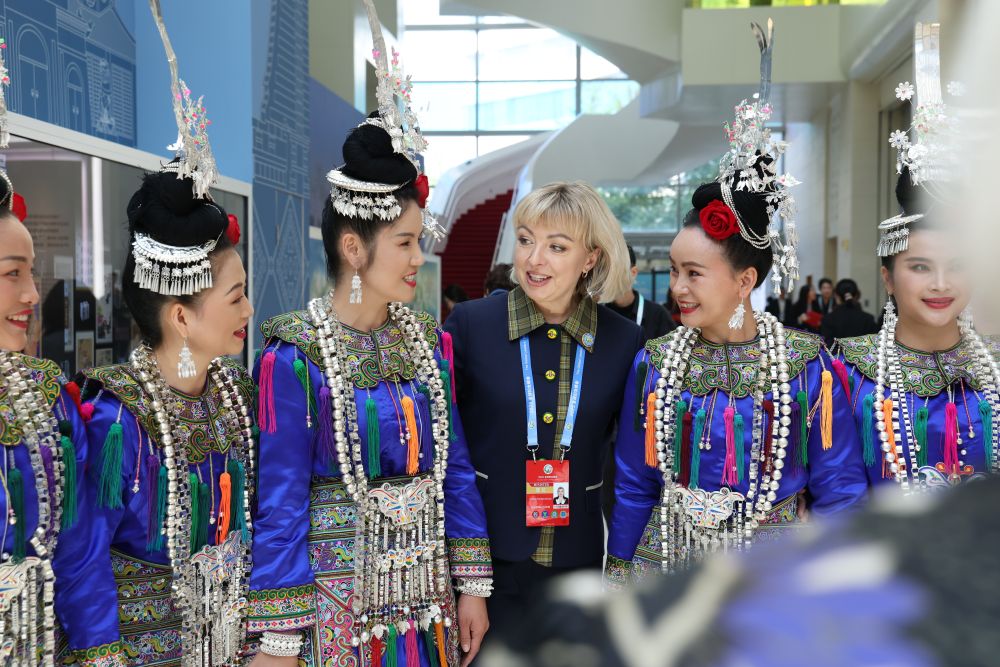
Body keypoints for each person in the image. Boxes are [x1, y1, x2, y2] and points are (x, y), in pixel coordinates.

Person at [248, 8, 492, 665]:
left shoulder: (428, 343)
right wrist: (279, 637)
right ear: (354, 248)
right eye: (405, 242)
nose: (418, 258)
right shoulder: (294, 357)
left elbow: (454, 465)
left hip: (425, 595)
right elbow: (280, 504)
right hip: (338, 601)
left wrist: (472, 583)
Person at [605, 21, 867, 586]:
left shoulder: (807, 366)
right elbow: (634, 483)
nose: (678, 288)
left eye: (694, 274)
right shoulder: (656, 363)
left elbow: (840, 486)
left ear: (745, 280)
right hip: (668, 570)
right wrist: (619, 579)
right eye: (675, 271)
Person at [58, 9, 258, 663]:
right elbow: (84, 558)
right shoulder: (112, 417)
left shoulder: (237, 395)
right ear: (181, 315)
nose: (249, 309)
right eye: (234, 296)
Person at [444, 180, 643, 653]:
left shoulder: (623, 342)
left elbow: (632, 471)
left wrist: (621, 576)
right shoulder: (471, 326)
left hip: (577, 565)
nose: (534, 260)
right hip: (484, 564)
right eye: (526, 240)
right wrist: (470, 581)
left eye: (557, 247)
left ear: (590, 258)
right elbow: (448, 453)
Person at [837, 47, 999, 489]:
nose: (941, 284)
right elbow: (836, 489)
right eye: (921, 267)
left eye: (958, 265)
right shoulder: (846, 371)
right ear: (887, 278)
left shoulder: (995, 365)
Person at [0, 161, 89, 664]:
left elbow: (79, 548)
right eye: (12, 273)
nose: (33, 293)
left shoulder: (48, 395)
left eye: (30, 272)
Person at [608, 244, 676, 343]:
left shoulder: (658, 315)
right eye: (606, 271)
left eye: (617, 271)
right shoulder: (598, 313)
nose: (610, 277)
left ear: (633, 272)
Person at [820, 278, 877, 347]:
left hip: (836, 354)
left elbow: (826, 346)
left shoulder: (828, 319)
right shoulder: (868, 319)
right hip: (862, 353)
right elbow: (873, 345)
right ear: (856, 295)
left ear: (836, 295)